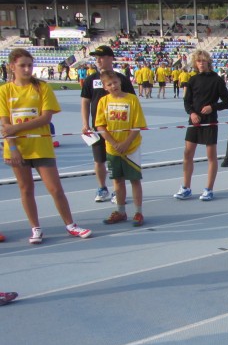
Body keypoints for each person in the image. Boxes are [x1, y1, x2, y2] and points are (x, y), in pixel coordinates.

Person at [1, 48, 92, 243]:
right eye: (22, 65)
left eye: (30, 65)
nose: (27, 69)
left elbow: (45, 118)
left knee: (55, 188)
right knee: (26, 189)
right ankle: (35, 228)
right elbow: (5, 125)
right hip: (17, 149)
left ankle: (71, 225)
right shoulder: (4, 91)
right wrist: (13, 147)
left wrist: (16, 128)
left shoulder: (42, 87)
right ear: (12, 67)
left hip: (41, 146)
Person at [174, 50, 228, 201]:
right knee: (188, 154)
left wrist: (212, 107)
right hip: (194, 121)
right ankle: (186, 187)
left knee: (211, 156)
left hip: (210, 121)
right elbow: (187, 101)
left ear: (208, 62)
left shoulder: (217, 80)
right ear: (195, 63)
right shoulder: (192, 80)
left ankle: (209, 189)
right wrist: (191, 113)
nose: (201, 63)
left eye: (203, 61)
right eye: (198, 61)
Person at [80, 45, 136, 203]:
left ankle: (118, 191)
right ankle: (102, 188)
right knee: (99, 160)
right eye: (96, 58)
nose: (98, 60)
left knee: (117, 159)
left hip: (118, 127)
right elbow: (85, 102)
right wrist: (85, 123)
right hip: (99, 127)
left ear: (111, 58)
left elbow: (131, 101)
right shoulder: (91, 79)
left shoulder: (121, 79)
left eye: (101, 57)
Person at [95, 70, 147, 227]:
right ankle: (121, 211)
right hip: (113, 149)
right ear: (105, 87)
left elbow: (138, 124)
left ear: (120, 82)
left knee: (134, 180)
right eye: (109, 84)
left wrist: (126, 143)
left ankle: (138, 212)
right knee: (117, 180)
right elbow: (100, 125)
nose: (113, 86)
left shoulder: (132, 99)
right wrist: (113, 143)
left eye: (115, 82)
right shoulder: (103, 101)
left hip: (131, 148)